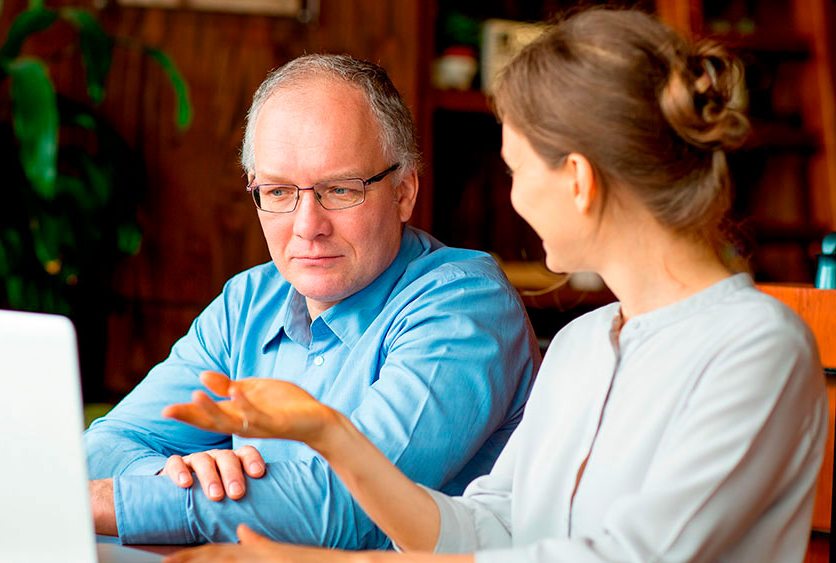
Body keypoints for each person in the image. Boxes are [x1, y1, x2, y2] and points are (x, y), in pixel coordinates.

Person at [162, 8, 828, 562]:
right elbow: (490, 528)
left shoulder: (755, 347)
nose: (512, 200)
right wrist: (331, 433)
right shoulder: (582, 343)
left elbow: (627, 557)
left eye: (514, 169)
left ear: (578, 178)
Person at [83, 54, 540, 548]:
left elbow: (354, 506)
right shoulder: (248, 303)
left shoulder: (465, 306)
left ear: (404, 192)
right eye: (278, 192)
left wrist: (117, 502)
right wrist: (181, 477)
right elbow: (104, 446)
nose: (307, 227)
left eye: (340, 190)